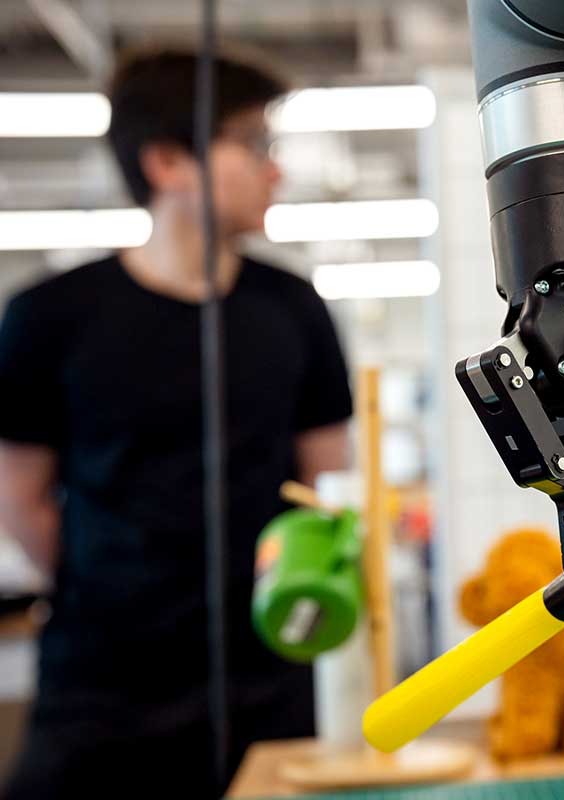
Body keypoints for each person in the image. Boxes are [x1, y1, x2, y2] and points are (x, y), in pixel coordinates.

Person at [0, 48, 354, 798]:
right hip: (102, 689)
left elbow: (330, 479)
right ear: (167, 160)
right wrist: (118, 581)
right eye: (253, 144)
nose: (275, 169)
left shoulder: (293, 311)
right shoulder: (48, 317)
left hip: (269, 676)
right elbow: (21, 496)